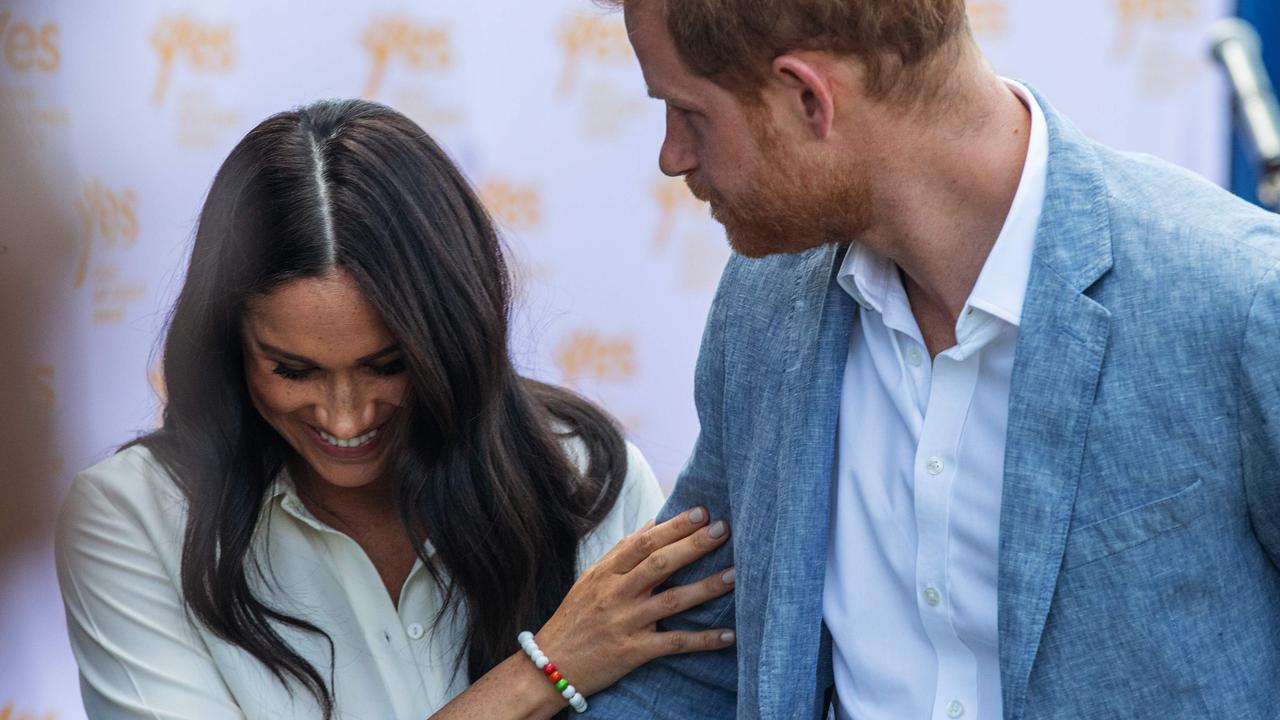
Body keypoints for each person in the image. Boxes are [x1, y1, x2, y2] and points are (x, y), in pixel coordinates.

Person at [584, 1, 1280, 718]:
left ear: (808, 99)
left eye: (688, 113)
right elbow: (698, 661)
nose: (674, 156)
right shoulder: (766, 302)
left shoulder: (1239, 299)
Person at [54, 99, 737, 720]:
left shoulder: (581, 473)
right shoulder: (133, 519)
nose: (346, 418)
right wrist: (545, 672)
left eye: (389, 366)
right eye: (293, 371)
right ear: (228, 343)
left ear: (454, 336)